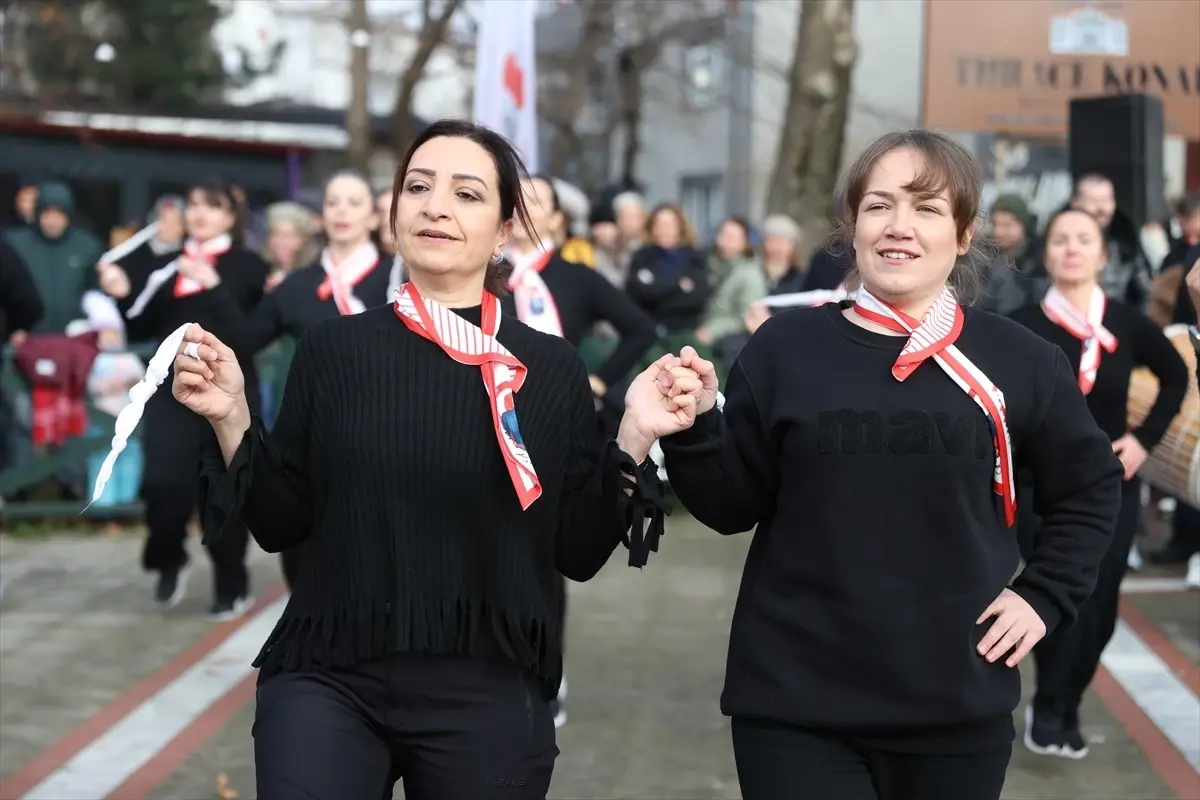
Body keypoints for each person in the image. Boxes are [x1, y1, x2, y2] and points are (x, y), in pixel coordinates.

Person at [169, 119, 672, 798]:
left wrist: (635, 434)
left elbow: (577, 553)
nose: (435, 205)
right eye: (417, 186)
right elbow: (282, 522)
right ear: (394, 214)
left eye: (466, 193)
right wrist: (232, 417)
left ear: (503, 230)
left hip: (489, 680)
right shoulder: (332, 350)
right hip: (329, 670)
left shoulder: (548, 368)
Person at [627, 130, 1124, 800]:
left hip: (956, 705)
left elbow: (1090, 487)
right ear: (852, 226)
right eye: (879, 206)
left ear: (965, 232)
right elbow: (728, 505)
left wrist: (1043, 595)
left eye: (926, 208)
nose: (899, 227)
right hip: (794, 704)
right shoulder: (785, 349)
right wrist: (692, 430)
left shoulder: (1021, 360)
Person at [1009, 208, 1189, 757]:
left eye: (1084, 240)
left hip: (1110, 484)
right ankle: (1049, 708)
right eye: (1060, 239)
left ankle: (1069, 702)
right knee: (1056, 595)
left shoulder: (1127, 322)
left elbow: (1177, 375)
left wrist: (1143, 440)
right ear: (1046, 254)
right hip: (1039, 489)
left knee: (1101, 607)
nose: (1071, 249)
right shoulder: (1021, 324)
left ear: (1103, 255)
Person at [501, 173, 657, 727]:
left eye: (535, 201)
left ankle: (549, 669)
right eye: (515, 200)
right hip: (485, 425)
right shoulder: (481, 277)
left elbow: (639, 328)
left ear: (559, 221)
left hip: (557, 431)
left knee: (549, 553)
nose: (523, 210)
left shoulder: (575, 277)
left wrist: (602, 382)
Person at [99, 180, 268, 619]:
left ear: (230, 217)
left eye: (212, 206)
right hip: (173, 394)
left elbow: (248, 336)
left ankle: (232, 584)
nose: (199, 213)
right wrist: (122, 295)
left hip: (228, 395)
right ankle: (169, 559)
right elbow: (140, 329)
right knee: (162, 484)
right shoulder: (168, 265)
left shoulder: (246, 264)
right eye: (193, 204)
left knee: (223, 493)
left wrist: (211, 285)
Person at [240, 170, 394, 591]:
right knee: (303, 563)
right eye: (332, 202)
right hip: (308, 442)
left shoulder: (398, 281)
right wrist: (217, 287)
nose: (342, 211)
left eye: (354, 202)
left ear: (374, 217)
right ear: (320, 217)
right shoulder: (295, 285)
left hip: (384, 438)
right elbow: (240, 339)